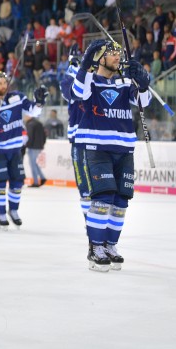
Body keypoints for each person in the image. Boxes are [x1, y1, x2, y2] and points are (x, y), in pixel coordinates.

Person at [69, 39, 152, 272]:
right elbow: (77, 93)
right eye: (113, 53)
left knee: (120, 202)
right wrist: (85, 64)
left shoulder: (126, 81)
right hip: (98, 146)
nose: (118, 57)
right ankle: (95, 247)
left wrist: (143, 84)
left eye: (119, 53)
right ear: (100, 58)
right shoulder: (90, 80)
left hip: (124, 148)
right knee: (103, 199)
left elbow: (143, 103)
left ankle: (110, 245)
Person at [0, 71, 47, 229]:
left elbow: (33, 111)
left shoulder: (17, 97)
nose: (3, 85)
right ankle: (0, 214)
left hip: (15, 149)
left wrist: (39, 102)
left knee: (17, 182)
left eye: (4, 82)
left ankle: (13, 210)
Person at [59, 46, 92, 228]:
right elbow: (66, 89)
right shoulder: (69, 82)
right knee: (84, 187)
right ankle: (90, 223)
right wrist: (73, 65)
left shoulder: (95, 76)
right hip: (78, 138)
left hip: (97, 136)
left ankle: (101, 222)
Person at [25, 114, 47, 187]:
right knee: (35, 163)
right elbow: (44, 135)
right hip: (39, 146)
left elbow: (29, 136)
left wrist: (26, 145)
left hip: (33, 147)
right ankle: (42, 177)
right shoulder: (39, 123)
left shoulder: (30, 124)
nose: (25, 118)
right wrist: (42, 144)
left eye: (26, 116)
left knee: (33, 164)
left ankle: (36, 182)